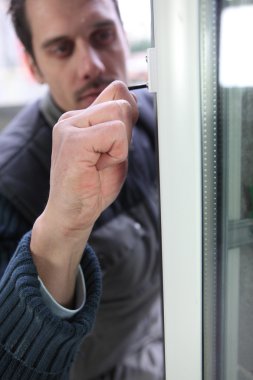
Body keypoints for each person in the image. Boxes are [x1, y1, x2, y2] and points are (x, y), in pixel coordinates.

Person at [0, 0, 164, 379]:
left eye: (102, 35)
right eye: (61, 48)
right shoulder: (11, 183)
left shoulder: (159, 121)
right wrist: (61, 228)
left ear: (124, 37)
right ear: (32, 66)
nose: (90, 65)